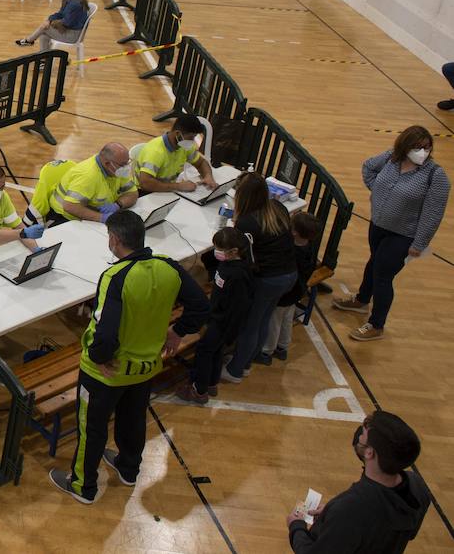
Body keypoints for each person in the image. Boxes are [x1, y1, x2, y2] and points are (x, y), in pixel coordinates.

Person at [50, 210, 208, 504]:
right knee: (133, 419)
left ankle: (83, 486)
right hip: (146, 367)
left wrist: (99, 357)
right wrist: (179, 331)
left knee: (92, 429)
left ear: (114, 240)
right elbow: (200, 305)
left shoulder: (115, 276)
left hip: (105, 373)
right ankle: (128, 469)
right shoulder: (168, 267)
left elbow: (106, 331)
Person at [333, 126, 448, 342]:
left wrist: (419, 243)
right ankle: (361, 300)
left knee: (383, 276)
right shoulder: (391, 159)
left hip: (403, 235)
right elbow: (368, 167)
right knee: (374, 262)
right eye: (417, 147)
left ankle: (377, 325)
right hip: (378, 225)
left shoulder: (436, 176)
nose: (422, 151)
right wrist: (377, 191)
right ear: (405, 146)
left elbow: (433, 214)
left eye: (426, 147)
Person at [286, 411, 430, 552]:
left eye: (363, 434)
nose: (359, 435)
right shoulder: (418, 487)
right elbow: (407, 532)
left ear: (369, 452)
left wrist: (296, 527)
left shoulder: (350, 509)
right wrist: (332, 514)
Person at [222, 173, 296, 381]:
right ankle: (246, 362)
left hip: (268, 279)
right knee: (263, 318)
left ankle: (236, 370)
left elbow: (243, 255)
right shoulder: (277, 207)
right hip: (288, 274)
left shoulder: (247, 222)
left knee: (250, 324)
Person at [178, 227, 254, 404]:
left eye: (219, 249)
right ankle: (211, 382)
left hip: (222, 322)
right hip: (217, 318)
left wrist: (226, 331)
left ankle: (199, 390)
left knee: (204, 352)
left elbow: (238, 308)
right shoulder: (228, 264)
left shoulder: (238, 275)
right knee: (215, 352)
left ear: (234, 251)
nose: (216, 252)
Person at [257, 210, 321, 365]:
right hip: (297, 291)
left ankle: (267, 350)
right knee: (286, 319)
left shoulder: (292, 251)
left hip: (285, 292)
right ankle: (283, 346)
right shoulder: (308, 246)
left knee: (274, 321)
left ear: (294, 232)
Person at [44, 143, 139, 226]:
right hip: (65, 218)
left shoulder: (117, 170)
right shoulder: (88, 176)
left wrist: (118, 204)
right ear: (107, 163)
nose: (126, 167)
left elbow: (132, 194)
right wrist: (101, 218)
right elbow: (70, 206)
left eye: (127, 162)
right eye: (123, 164)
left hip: (89, 216)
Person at [134, 116, 218, 194]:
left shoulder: (184, 147)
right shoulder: (155, 151)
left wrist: (208, 176)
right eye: (191, 137)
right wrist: (178, 186)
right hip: (145, 193)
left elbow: (201, 163)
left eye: (194, 137)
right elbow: (145, 183)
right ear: (178, 134)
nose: (193, 141)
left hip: (167, 190)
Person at [14, 0, 90, 51]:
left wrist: (52, 23)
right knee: (44, 34)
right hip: (68, 30)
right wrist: (49, 20)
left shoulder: (75, 4)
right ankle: (44, 60)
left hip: (73, 35)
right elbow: (60, 14)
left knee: (43, 29)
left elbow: (68, 23)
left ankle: (28, 40)